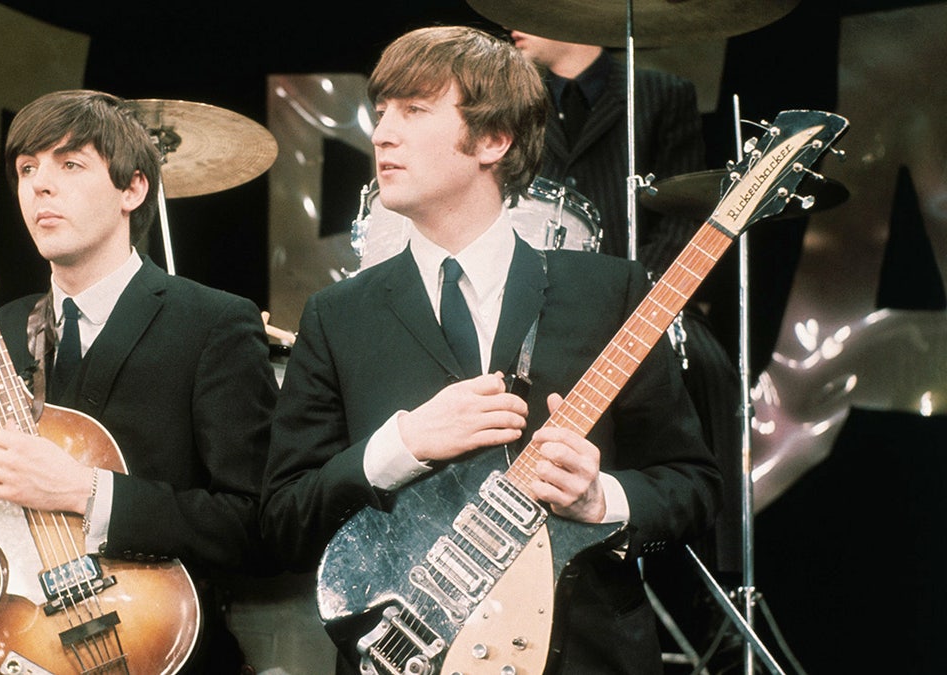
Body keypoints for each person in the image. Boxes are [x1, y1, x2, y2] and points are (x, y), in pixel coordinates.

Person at [260, 25, 722, 675]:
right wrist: (403, 443)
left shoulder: (609, 291)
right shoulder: (337, 314)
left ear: (493, 139)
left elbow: (693, 486)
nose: (382, 132)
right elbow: (281, 521)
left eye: (414, 110)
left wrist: (602, 501)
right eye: (382, 110)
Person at [0, 89, 277, 674]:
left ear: (133, 188)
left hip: (140, 648)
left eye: (70, 164)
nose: (40, 186)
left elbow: (255, 524)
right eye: (27, 168)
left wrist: (87, 493)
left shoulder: (213, 323)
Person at [511, 28, 745, 661]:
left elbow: (687, 212)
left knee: (706, 367)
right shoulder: (511, 95)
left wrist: (648, 301)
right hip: (544, 309)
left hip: (644, 302)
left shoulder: (660, 92)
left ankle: (713, 584)